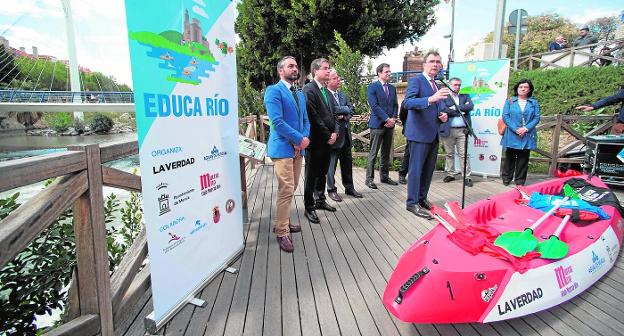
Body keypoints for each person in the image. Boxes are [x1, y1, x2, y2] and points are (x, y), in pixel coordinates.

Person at [264, 56, 310, 252]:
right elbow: (277, 122)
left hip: (298, 149)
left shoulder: (300, 93)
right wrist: (298, 139)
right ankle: (281, 232)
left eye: (296, 66)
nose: (295, 68)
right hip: (282, 148)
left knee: (291, 189)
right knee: (286, 189)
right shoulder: (273, 91)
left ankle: (283, 221)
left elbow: (305, 120)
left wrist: (303, 139)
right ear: (280, 71)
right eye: (290, 66)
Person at [402, 51, 450, 219]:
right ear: (424, 64)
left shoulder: (436, 84)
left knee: (428, 170)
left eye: (438, 61)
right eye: (431, 61)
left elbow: (438, 106)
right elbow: (407, 102)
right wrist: (431, 99)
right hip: (418, 134)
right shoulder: (417, 80)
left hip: (433, 133)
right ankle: (412, 203)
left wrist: (442, 115)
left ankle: (422, 199)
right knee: (416, 170)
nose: (435, 64)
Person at [303, 58, 338, 224]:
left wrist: (335, 132)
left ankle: (320, 200)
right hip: (316, 141)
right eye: (325, 68)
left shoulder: (325, 89)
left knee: (323, 172)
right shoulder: (308, 89)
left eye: (329, 68)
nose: (328, 71)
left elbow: (334, 113)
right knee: (311, 175)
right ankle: (309, 207)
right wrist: (327, 135)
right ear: (315, 71)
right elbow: (313, 116)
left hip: (328, 141)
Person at [321, 69, 363, 201]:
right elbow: (329, 110)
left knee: (347, 164)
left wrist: (343, 115)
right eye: (335, 78)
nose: (338, 80)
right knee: (331, 165)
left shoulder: (343, 95)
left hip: (346, 135)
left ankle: (349, 188)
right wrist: (342, 110)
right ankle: (331, 190)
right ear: (327, 81)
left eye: (338, 78)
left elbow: (351, 110)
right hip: (334, 135)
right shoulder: (324, 95)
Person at [500, 79, 541, 186]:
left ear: (529, 89)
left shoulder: (533, 102)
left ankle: (520, 180)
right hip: (512, 133)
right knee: (509, 157)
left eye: (525, 87)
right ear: (517, 88)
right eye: (520, 87)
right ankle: (507, 178)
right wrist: (515, 129)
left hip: (527, 134)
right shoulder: (509, 101)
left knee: (523, 158)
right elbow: (505, 116)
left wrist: (526, 128)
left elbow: (536, 118)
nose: (523, 89)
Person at [365, 63, 399, 189]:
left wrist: (393, 119)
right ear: (379, 73)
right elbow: (374, 106)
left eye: (389, 71)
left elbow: (396, 105)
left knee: (386, 152)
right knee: (373, 153)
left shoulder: (392, 88)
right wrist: (386, 118)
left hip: (389, 125)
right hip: (377, 125)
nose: (389, 74)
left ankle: (384, 176)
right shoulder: (372, 87)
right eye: (386, 72)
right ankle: (369, 179)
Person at [438, 77, 475, 186]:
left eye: (459, 85)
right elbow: (443, 109)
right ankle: (451, 174)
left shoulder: (465, 96)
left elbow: (471, 106)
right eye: (455, 85)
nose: (457, 87)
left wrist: (455, 108)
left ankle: (466, 176)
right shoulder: (444, 97)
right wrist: (460, 111)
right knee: (449, 154)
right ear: (449, 85)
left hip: (462, 131)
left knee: (464, 155)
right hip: (448, 130)